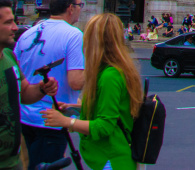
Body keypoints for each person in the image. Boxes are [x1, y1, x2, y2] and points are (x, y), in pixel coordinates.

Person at [41, 13, 144, 170]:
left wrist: (67, 122)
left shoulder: (110, 76)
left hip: (112, 159)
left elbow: (105, 126)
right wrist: (72, 108)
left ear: (96, 42)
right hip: (110, 156)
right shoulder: (112, 71)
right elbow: (108, 110)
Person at [14, 0, 85, 170]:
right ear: (70, 8)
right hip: (50, 119)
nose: (80, 9)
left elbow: (16, 72)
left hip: (24, 117)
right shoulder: (73, 34)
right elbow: (76, 81)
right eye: (79, 5)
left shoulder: (28, 33)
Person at [0, 0, 59, 170]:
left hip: (12, 161)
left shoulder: (10, 57)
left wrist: (42, 88)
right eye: (8, 23)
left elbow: (24, 93)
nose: (15, 28)